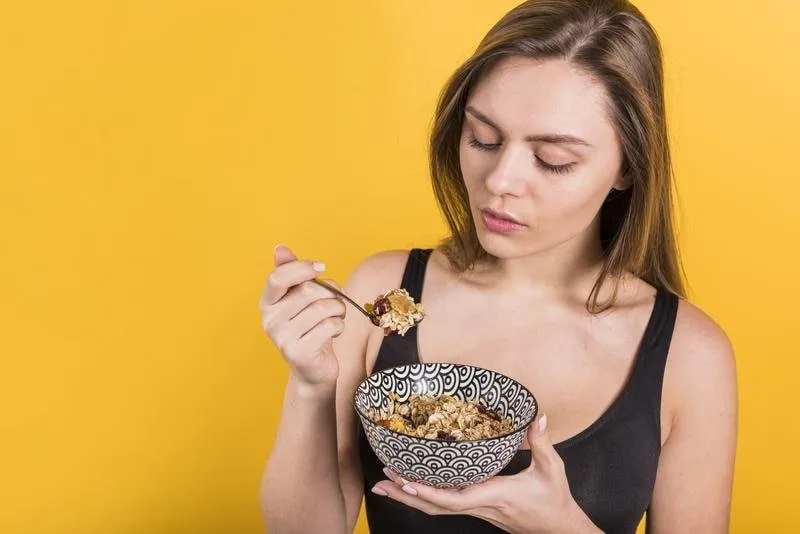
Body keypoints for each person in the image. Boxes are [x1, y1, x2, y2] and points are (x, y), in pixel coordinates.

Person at [258, 0, 738, 532]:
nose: (500, 180)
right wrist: (309, 387)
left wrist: (557, 524)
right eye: (483, 137)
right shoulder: (383, 289)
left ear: (627, 166)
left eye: (553, 159)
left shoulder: (690, 356)